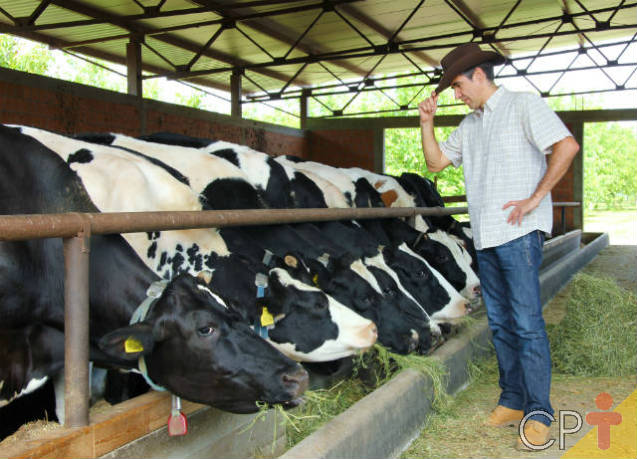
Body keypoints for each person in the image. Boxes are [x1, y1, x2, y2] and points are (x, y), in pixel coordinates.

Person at [418, 43, 579, 450]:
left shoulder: (524, 105)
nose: (457, 94)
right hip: (486, 236)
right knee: (502, 323)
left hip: (519, 234)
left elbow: (567, 146)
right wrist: (427, 122)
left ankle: (539, 409)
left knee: (526, 323)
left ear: (479, 74)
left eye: (457, 85)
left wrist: (536, 197)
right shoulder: (471, 125)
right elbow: (435, 163)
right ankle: (511, 399)